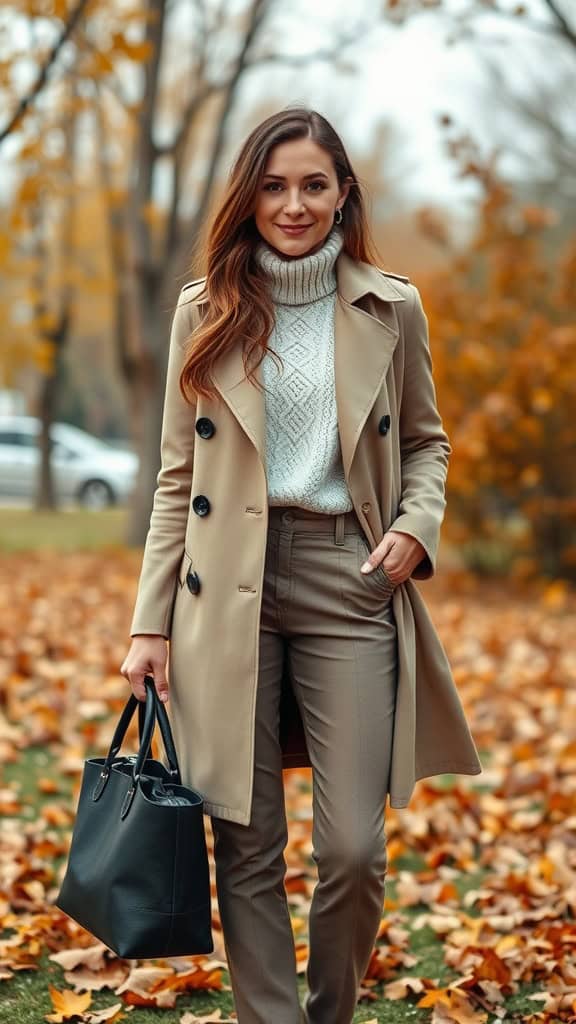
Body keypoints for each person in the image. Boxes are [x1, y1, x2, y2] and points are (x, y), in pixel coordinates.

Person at [121, 107, 482, 1024]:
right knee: (245, 843)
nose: (294, 204)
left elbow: (430, 443)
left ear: (343, 192)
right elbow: (177, 479)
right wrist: (148, 623)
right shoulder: (204, 311)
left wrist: (417, 522)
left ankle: (329, 1013)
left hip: (351, 578)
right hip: (222, 586)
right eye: (275, 185)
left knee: (355, 847)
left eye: (313, 184)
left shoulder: (389, 306)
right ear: (250, 195)